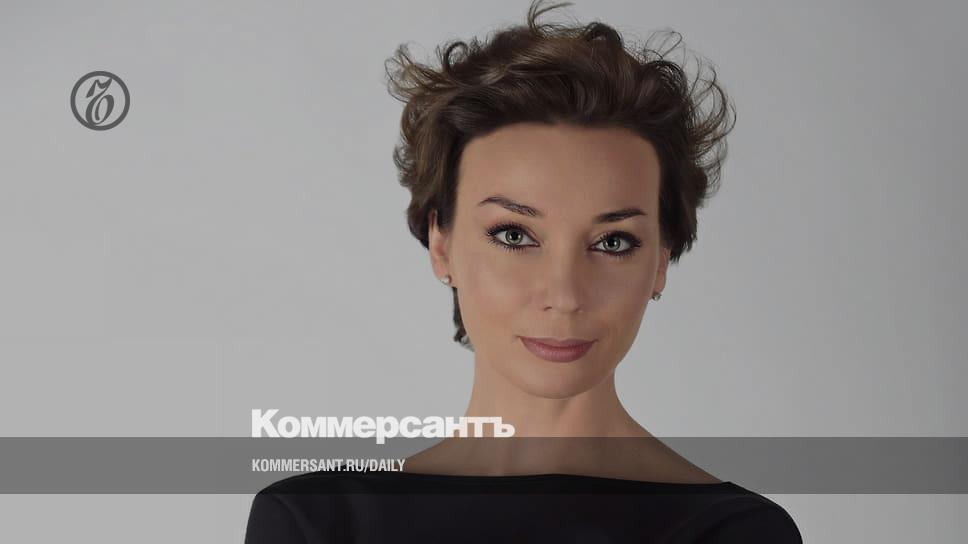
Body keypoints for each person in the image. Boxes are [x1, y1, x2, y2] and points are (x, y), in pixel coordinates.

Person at [245, 1, 802, 541]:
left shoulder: (736, 532)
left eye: (612, 242)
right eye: (514, 235)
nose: (564, 294)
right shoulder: (316, 522)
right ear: (441, 243)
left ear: (660, 261)